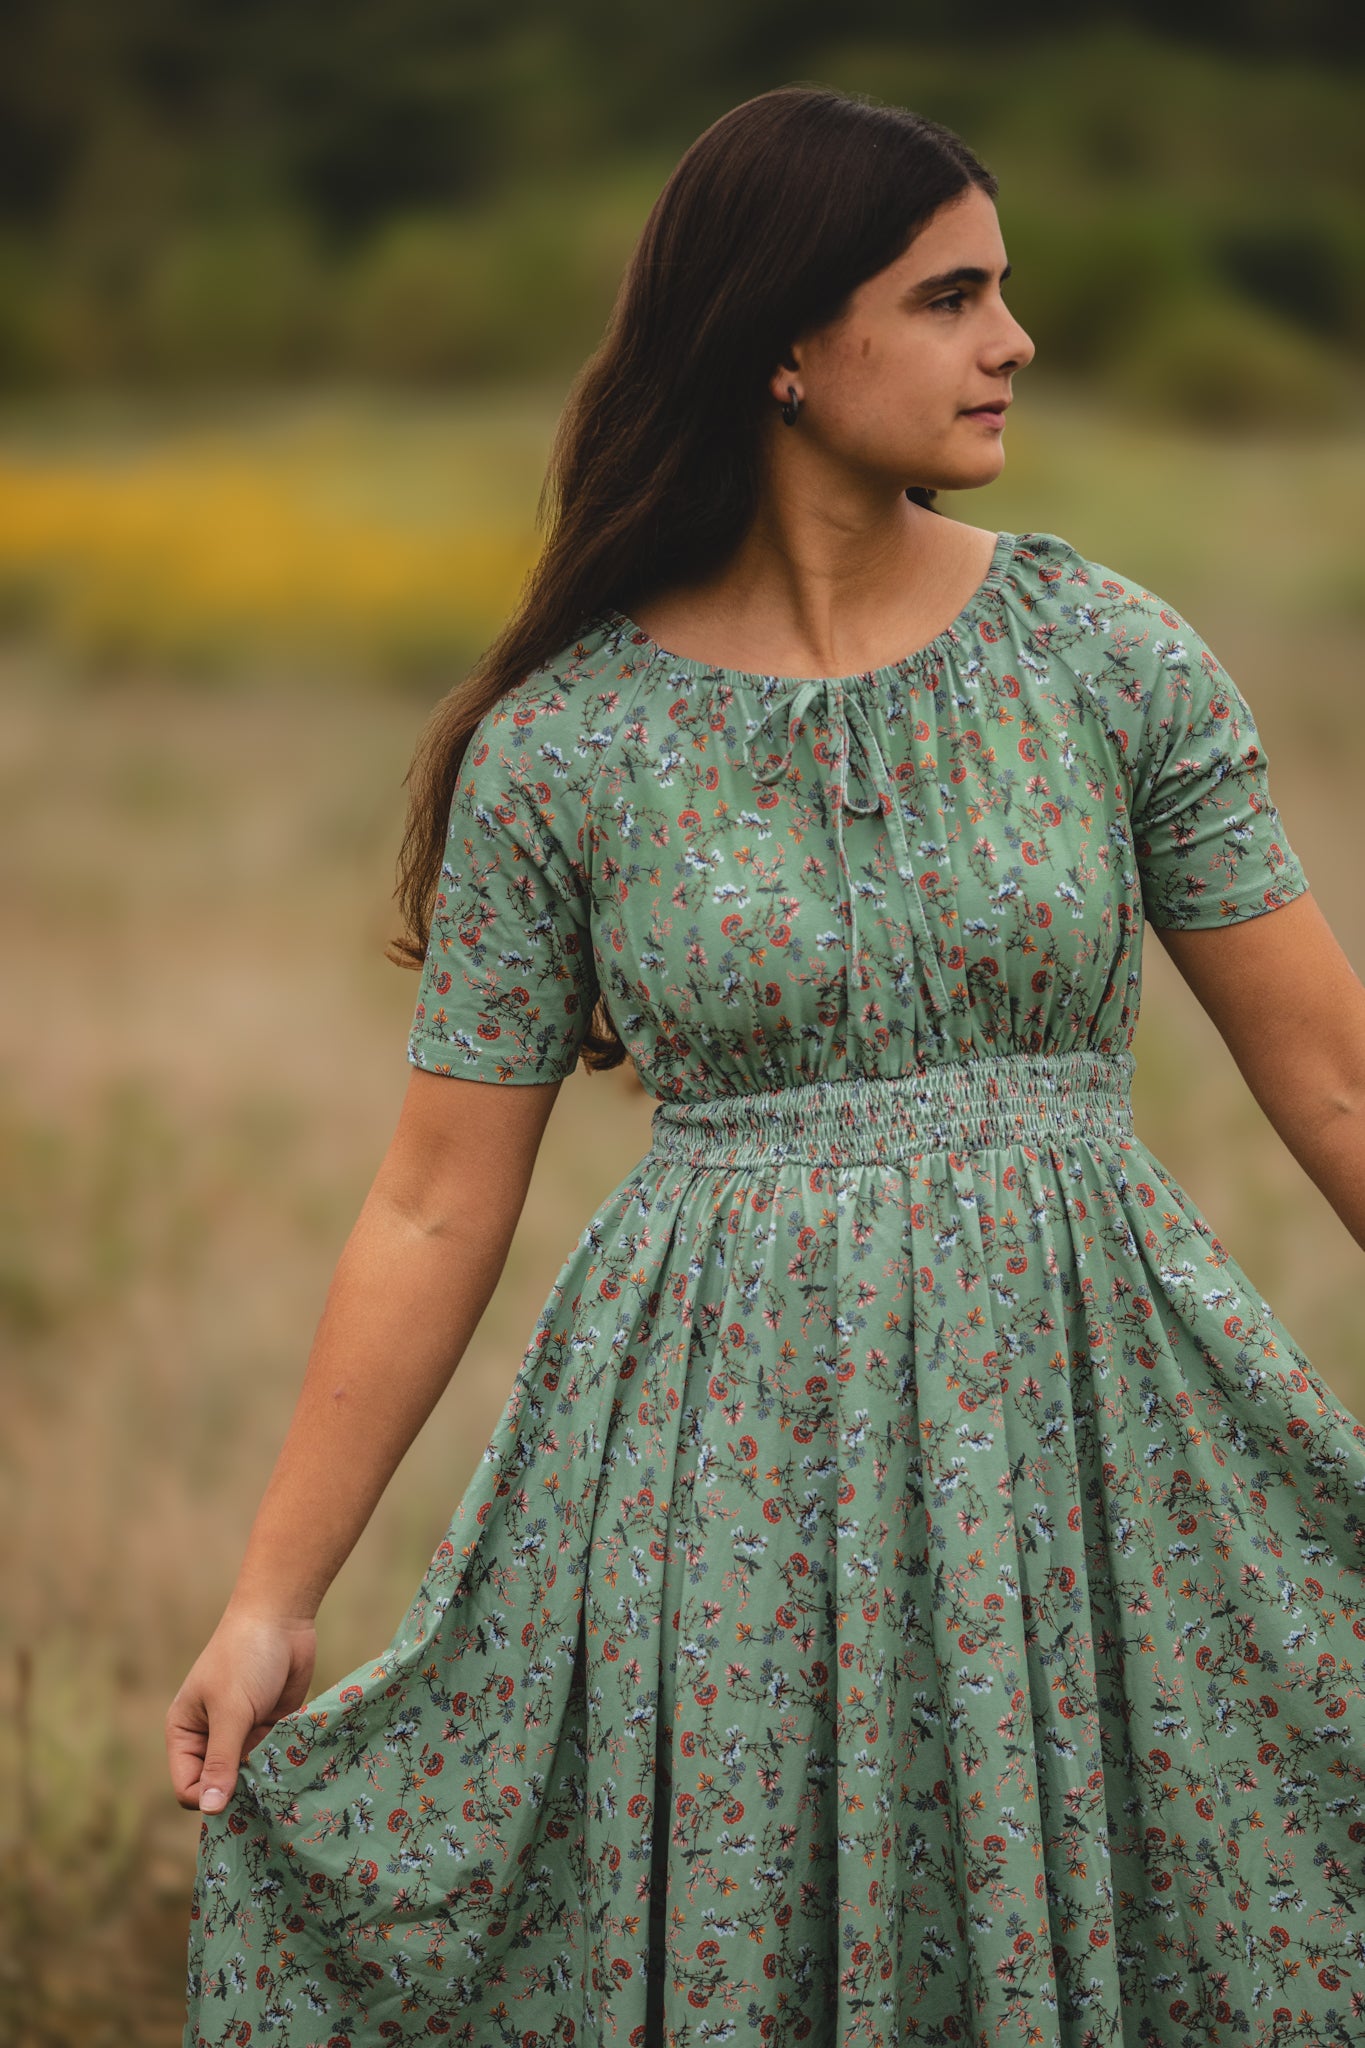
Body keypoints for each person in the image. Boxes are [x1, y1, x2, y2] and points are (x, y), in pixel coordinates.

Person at [169, 82, 1365, 2048]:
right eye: (951, 296)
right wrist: (269, 1595)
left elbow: (1329, 1085)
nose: (1014, 342)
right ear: (789, 345)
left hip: (1081, 1429)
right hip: (708, 1472)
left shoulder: (1106, 661)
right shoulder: (563, 749)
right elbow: (433, 1192)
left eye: (1005, 294)